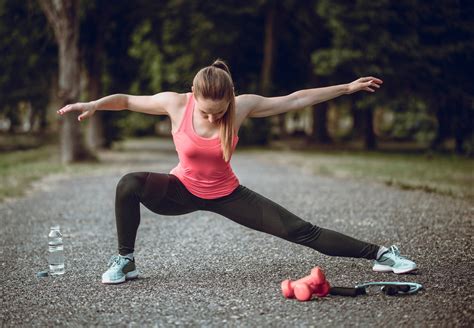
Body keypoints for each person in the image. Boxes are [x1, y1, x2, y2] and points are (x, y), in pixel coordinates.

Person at [57, 59, 417, 285]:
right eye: (207, 112)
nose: (214, 118)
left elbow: (294, 99)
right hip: (180, 189)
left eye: (220, 111)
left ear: (230, 97)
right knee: (129, 183)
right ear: (194, 95)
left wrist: (346, 88)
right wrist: (94, 104)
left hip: (228, 195)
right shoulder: (175, 103)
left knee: (301, 231)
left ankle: (382, 255)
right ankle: (126, 260)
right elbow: (127, 100)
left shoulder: (241, 107)